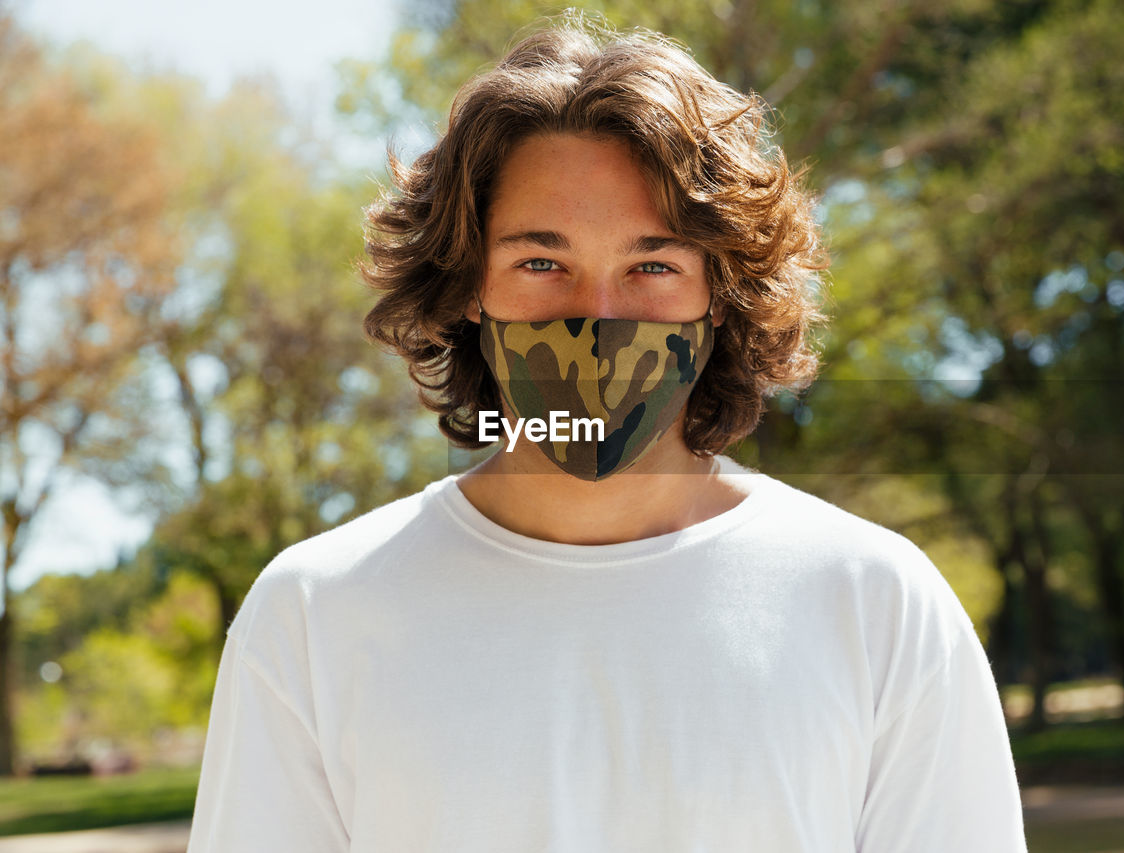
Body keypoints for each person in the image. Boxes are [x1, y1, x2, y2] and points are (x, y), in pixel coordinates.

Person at [187, 15, 1027, 853]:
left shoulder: (875, 603)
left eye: (652, 265)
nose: (597, 316)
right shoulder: (315, 614)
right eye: (542, 262)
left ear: (718, 291)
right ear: (471, 285)